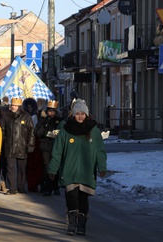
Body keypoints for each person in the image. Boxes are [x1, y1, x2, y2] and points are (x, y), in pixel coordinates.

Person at [47, 99, 107, 236]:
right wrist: (52, 169)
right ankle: (72, 223)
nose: (80, 116)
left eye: (82, 114)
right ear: (73, 114)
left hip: (86, 171)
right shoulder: (66, 130)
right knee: (71, 198)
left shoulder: (94, 131)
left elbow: (100, 151)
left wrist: (102, 167)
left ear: (87, 115)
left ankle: (81, 224)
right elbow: (57, 151)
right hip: (69, 171)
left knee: (83, 199)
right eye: (77, 113)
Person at [0, 97, 35, 194]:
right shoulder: (6, 116)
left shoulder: (26, 117)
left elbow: (31, 132)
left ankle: (21, 187)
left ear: (19, 106)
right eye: (12, 105)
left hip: (22, 146)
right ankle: (12, 188)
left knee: (22, 169)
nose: (13, 107)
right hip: (9, 146)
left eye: (15, 105)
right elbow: (2, 131)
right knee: (10, 168)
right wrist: (2, 143)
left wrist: (30, 144)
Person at [35, 100, 63, 196]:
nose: (51, 113)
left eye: (53, 112)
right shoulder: (43, 120)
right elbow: (37, 132)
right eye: (50, 111)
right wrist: (44, 126)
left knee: (56, 165)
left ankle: (56, 186)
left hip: (56, 145)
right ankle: (48, 187)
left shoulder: (59, 120)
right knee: (47, 166)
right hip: (46, 145)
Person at [23, 98, 44, 192]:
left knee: (38, 164)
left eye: (31, 107)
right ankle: (32, 183)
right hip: (30, 142)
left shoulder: (36, 117)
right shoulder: (27, 116)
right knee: (31, 164)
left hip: (37, 142)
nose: (30, 109)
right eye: (28, 107)